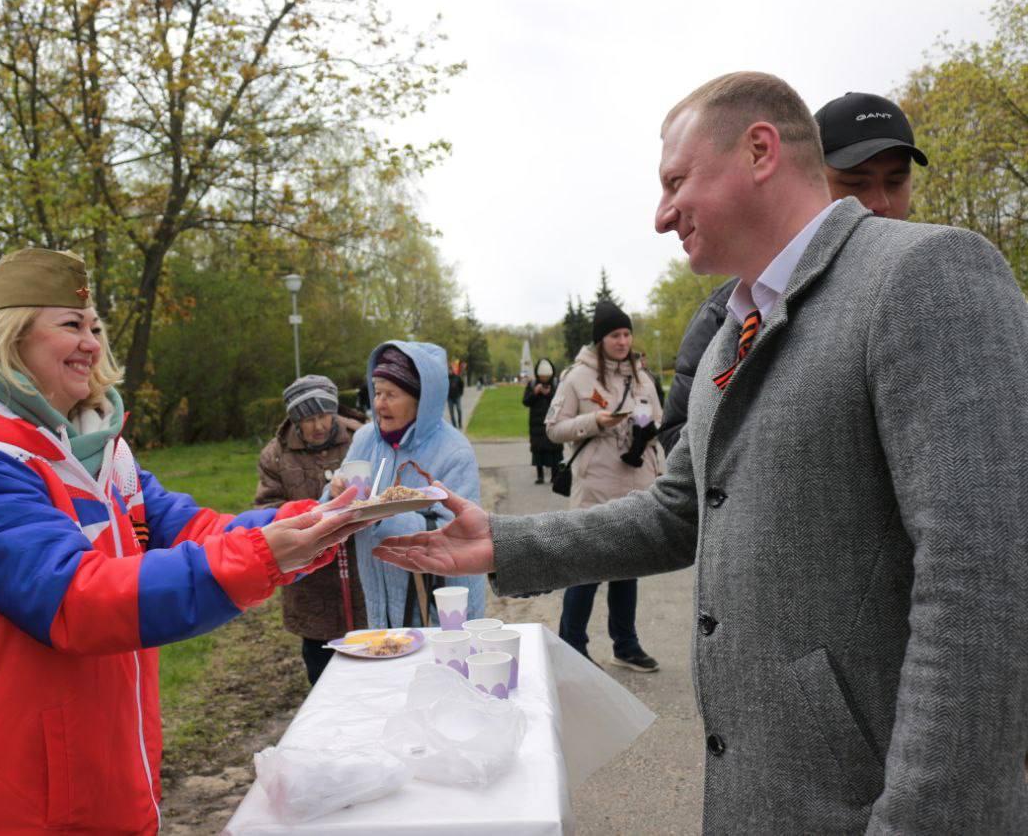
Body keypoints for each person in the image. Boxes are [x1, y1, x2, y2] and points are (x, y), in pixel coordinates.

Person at [372, 72, 1028, 833]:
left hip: (868, 807)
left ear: (759, 151)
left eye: (676, 181)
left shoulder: (925, 272)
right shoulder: (731, 329)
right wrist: (504, 539)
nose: (660, 215)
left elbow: (986, 575)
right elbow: (680, 509)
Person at [0, 248, 361, 832]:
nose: (92, 343)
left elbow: (189, 529)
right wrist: (262, 557)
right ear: (8, 341)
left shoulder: (99, 447)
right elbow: (77, 600)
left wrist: (314, 520)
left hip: (105, 758)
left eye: (95, 327)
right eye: (71, 325)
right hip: (15, 790)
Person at [658, 90, 928, 453]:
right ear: (808, 178)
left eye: (896, 181)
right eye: (854, 182)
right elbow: (684, 465)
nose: (879, 202)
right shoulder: (733, 314)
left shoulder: (934, 270)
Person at [330, 342, 484, 628]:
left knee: (442, 670)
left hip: (439, 607)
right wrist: (335, 493)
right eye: (377, 392)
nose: (379, 404)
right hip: (377, 597)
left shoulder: (453, 452)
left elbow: (460, 534)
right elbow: (328, 506)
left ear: (420, 400)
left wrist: (383, 514)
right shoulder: (365, 440)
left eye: (391, 394)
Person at [548, 303, 663, 672]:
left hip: (635, 486)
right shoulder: (577, 379)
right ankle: (572, 648)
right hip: (595, 488)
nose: (623, 341)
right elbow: (554, 428)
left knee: (627, 567)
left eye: (627, 334)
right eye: (615, 335)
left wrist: (648, 426)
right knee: (586, 569)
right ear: (601, 340)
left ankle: (625, 645)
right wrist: (593, 421)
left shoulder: (642, 376)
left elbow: (658, 416)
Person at [254, 374, 368, 684]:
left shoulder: (362, 440)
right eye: (308, 418)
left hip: (363, 572)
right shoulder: (276, 455)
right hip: (311, 579)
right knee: (322, 670)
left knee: (371, 664)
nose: (318, 425)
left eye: (323, 415)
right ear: (295, 420)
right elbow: (266, 511)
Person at [521, 358, 563, 484]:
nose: (544, 379)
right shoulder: (532, 384)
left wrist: (550, 394)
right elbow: (525, 401)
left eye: (546, 377)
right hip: (536, 423)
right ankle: (540, 476)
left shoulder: (556, 384)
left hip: (553, 421)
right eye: (542, 376)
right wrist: (535, 392)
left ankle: (555, 475)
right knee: (538, 449)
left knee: (554, 449)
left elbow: (561, 401)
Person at [447, 362, 465, 428]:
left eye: (450, 370)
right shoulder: (446, 378)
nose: (449, 371)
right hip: (449, 398)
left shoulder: (457, 377)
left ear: (452, 370)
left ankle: (460, 423)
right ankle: (454, 426)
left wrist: (461, 393)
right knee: (451, 413)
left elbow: (462, 385)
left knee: (459, 409)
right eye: (448, 370)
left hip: (457, 396)